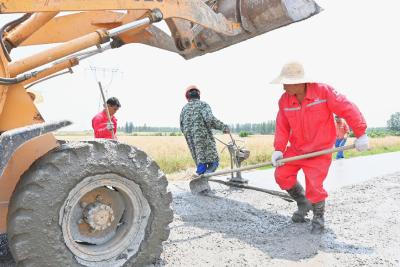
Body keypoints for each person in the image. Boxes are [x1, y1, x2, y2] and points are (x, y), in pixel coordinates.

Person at [270, 62, 369, 234]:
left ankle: (318, 217)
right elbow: (282, 125)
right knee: (281, 174)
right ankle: (303, 202)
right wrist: (279, 149)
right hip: (297, 149)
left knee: (314, 185)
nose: (283, 86)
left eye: (286, 82)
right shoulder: (284, 100)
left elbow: (347, 108)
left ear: (299, 82)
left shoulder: (323, 92)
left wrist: (361, 133)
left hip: (319, 150)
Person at [180, 85, 230, 177]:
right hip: (205, 141)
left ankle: (200, 178)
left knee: (201, 164)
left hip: (193, 145)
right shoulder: (203, 105)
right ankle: (203, 179)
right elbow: (210, 119)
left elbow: (182, 128)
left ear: (187, 96)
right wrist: (224, 127)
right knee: (214, 163)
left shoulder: (184, 110)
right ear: (198, 94)